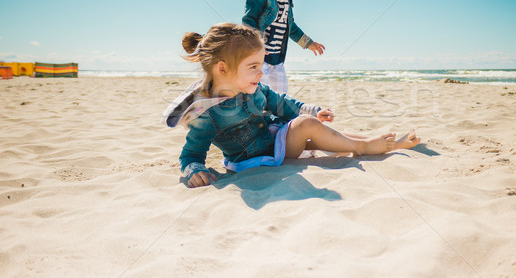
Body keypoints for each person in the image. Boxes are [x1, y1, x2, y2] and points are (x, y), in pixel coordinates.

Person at [162, 23, 420, 188]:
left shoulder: (256, 88)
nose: (261, 73)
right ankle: (365, 147)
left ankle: (372, 142)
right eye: (253, 67)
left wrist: (311, 109)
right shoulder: (208, 114)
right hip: (256, 161)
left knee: (314, 129)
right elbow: (191, 153)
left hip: (275, 140)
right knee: (308, 127)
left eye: (261, 65)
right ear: (222, 68)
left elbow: (282, 103)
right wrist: (194, 169)